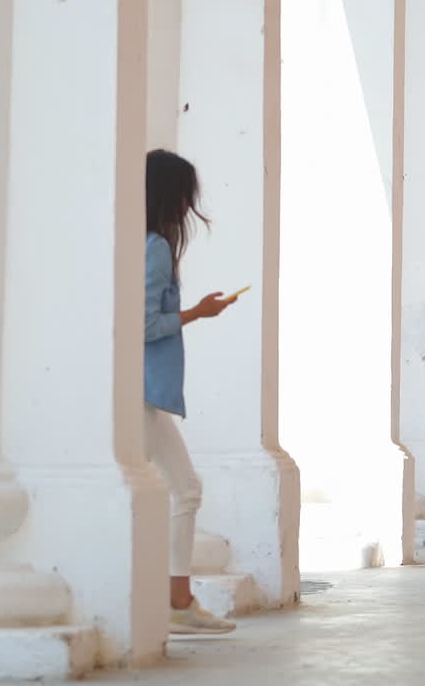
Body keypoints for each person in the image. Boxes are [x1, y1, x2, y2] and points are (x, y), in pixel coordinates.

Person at [143, 149, 239, 634]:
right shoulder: (155, 246)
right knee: (184, 490)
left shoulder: (136, 241)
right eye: (183, 196)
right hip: (142, 395)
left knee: (182, 490)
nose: (188, 207)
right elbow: (143, 323)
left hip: (137, 392)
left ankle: (175, 599)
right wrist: (197, 313)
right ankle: (175, 602)